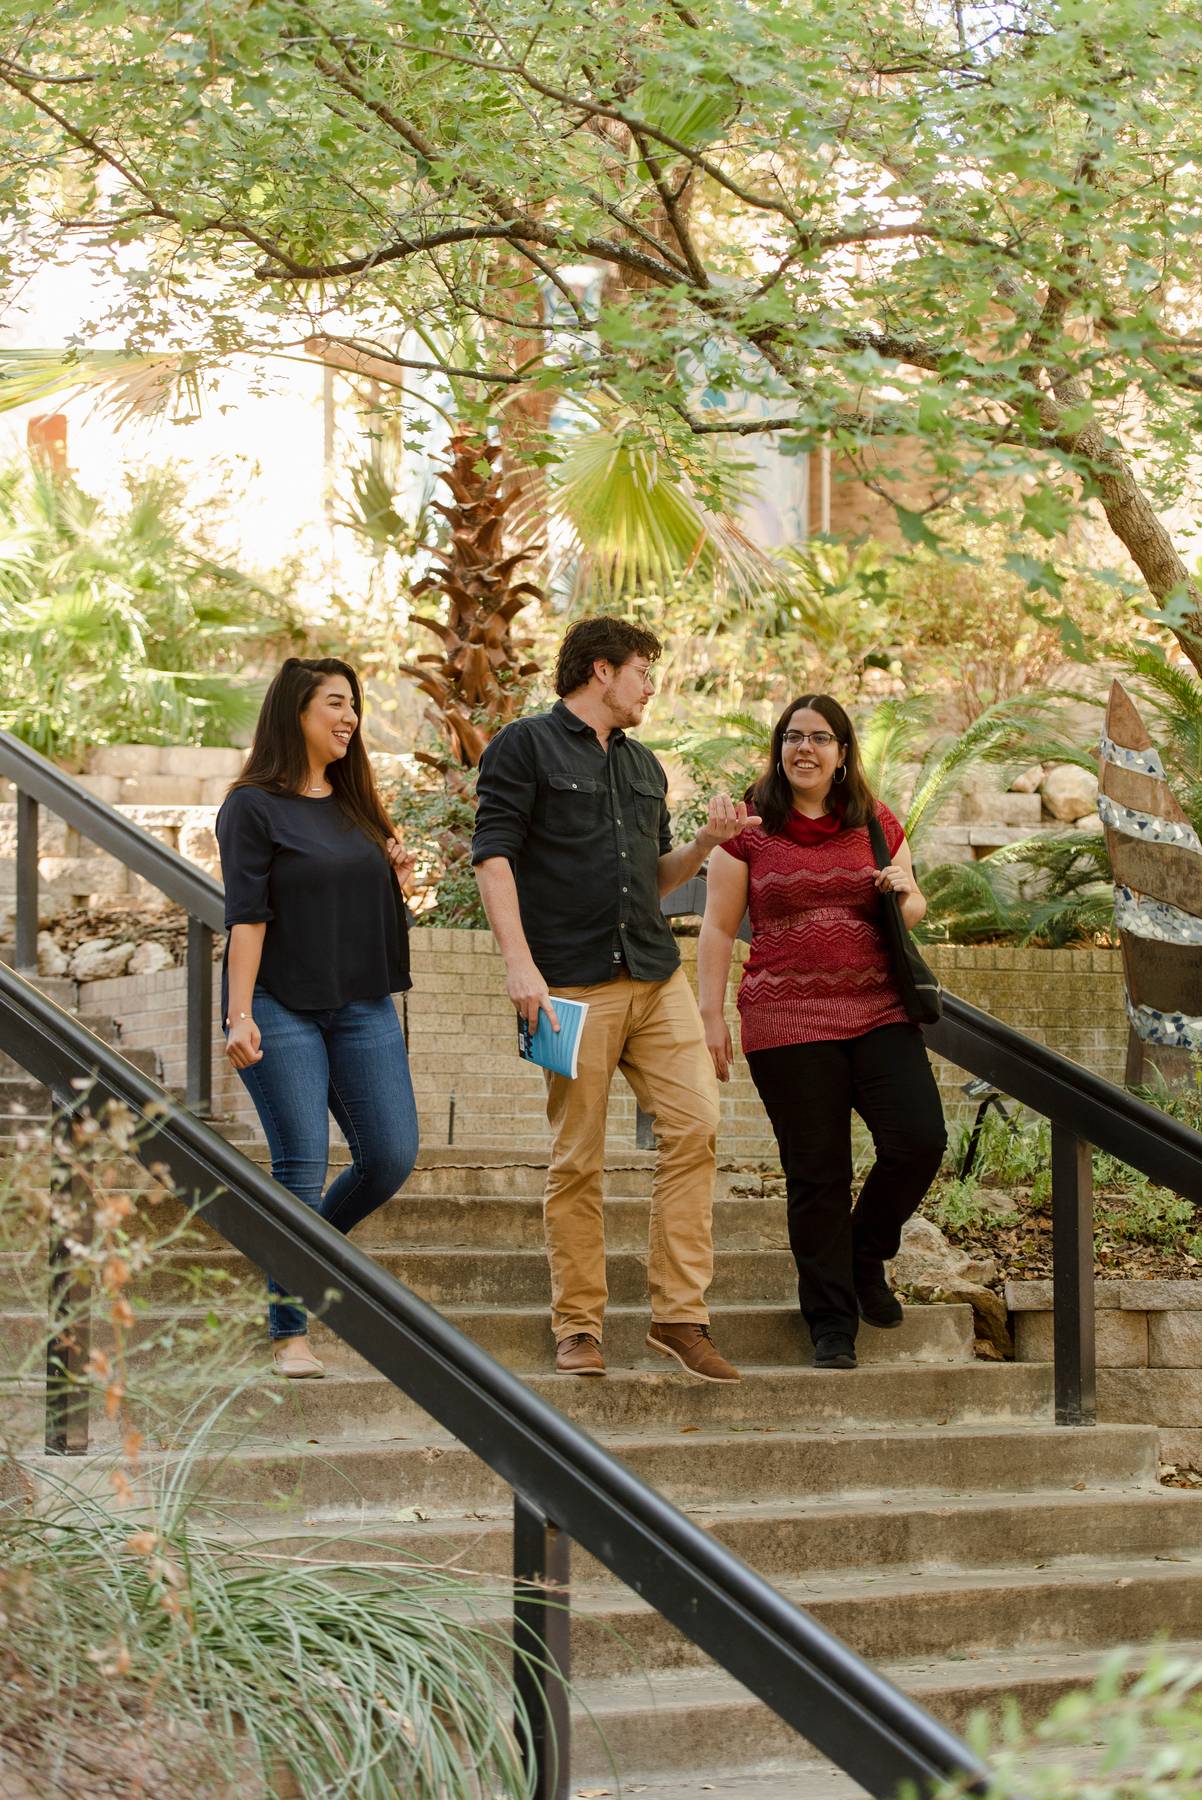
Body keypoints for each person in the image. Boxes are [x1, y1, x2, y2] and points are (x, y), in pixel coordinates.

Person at [472, 617, 755, 1382]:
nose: (650, 686)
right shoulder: (523, 746)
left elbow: (659, 878)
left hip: (654, 975)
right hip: (562, 984)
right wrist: (518, 967)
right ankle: (578, 1326)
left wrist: (704, 845)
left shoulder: (646, 767)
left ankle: (678, 1317)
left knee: (696, 1123)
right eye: (643, 671)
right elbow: (492, 858)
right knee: (577, 1158)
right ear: (601, 671)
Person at [697, 693, 946, 1371]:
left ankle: (867, 1252)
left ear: (842, 754)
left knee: (919, 1138)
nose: (804, 748)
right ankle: (832, 1321)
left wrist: (904, 891)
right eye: (792, 736)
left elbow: (913, 904)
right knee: (817, 1174)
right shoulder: (750, 827)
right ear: (780, 748)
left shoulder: (875, 820)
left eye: (820, 738)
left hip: (878, 1009)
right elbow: (719, 925)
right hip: (786, 1020)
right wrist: (710, 1014)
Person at [216, 657, 420, 1378]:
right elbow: (247, 917)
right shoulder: (252, 806)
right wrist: (238, 1014)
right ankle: (289, 1328)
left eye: (355, 705)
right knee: (301, 1163)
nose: (351, 717)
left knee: (390, 1156)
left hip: (361, 1001)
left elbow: (362, 900)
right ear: (296, 711)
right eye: (337, 702)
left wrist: (392, 875)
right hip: (279, 1002)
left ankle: (297, 1251)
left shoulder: (356, 802)